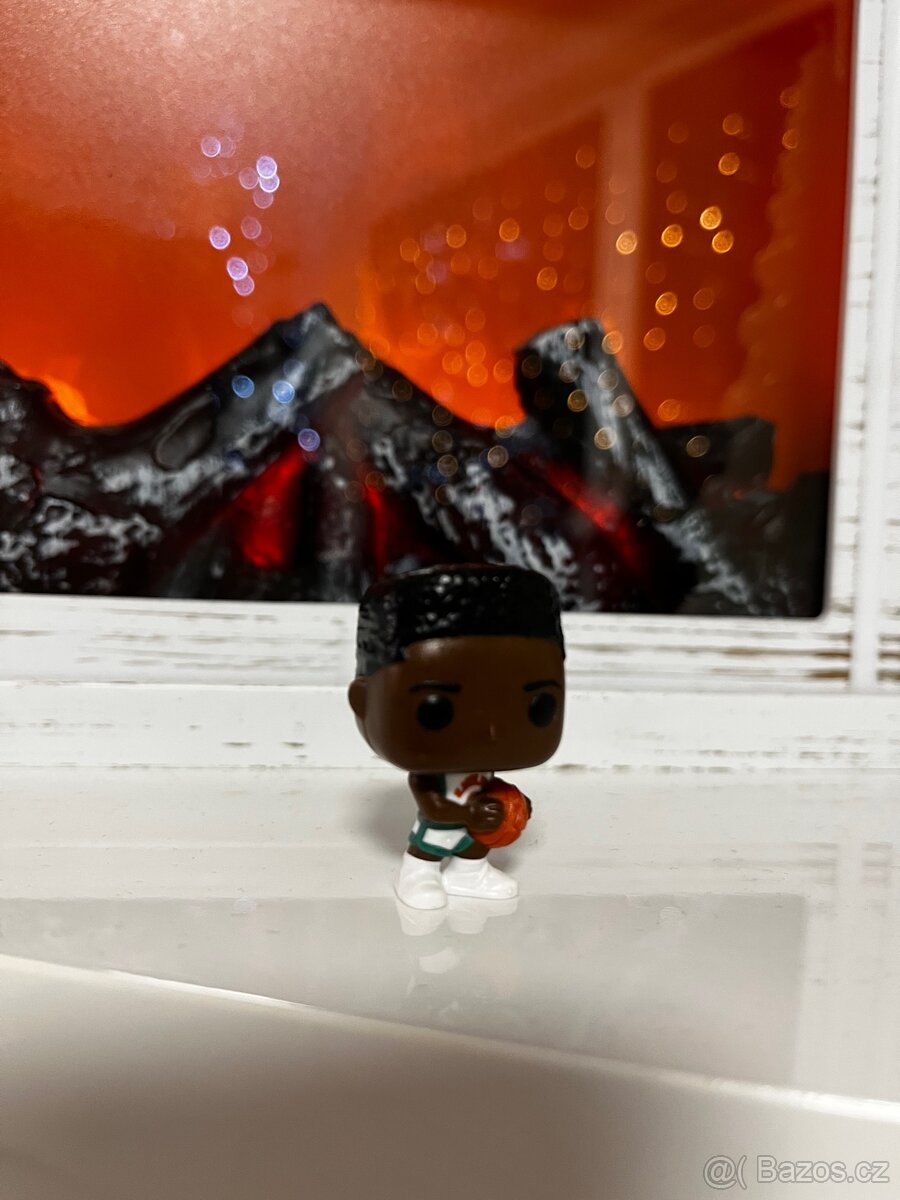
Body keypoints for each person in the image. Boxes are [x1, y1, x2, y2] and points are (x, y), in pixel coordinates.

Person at [348, 564, 566, 909]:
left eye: (539, 706)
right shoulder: (429, 776)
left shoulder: (484, 766)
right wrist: (467, 814)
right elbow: (431, 803)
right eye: (435, 710)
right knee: (427, 849)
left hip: (477, 830)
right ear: (364, 702)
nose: (490, 732)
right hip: (439, 831)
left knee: (475, 847)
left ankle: (469, 873)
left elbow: (491, 787)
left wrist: (514, 802)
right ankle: (417, 873)